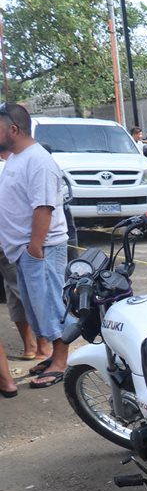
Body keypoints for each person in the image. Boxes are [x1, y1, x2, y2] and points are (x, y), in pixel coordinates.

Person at [0, 102, 74, 389]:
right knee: (37, 309)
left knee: (52, 306)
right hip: (24, 250)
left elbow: (43, 207)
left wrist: (35, 247)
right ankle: (52, 355)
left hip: (41, 249)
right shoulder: (18, 157)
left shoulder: (38, 161)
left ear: (13, 130)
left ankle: (61, 361)